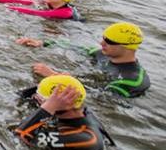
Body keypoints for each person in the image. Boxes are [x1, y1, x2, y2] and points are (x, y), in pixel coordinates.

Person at [16, 22, 149, 98]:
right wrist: (42, 43)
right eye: (103, 38)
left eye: (108, 41)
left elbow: (101, 98)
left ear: (127, 47)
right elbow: (76, 47)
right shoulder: (102, 54)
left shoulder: (132, 80)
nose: (101, 42)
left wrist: (55, 76)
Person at [14, 75, 106, 150]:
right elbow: (22, 94)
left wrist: (48, 107)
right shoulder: (79, 108)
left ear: (59, 103)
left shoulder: (89, 139)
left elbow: (20, 137)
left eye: (41, 100)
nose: (37, 101)